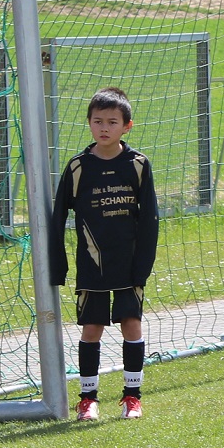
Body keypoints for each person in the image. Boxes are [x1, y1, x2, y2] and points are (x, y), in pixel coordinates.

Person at [50, 87, 159, 422]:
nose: (104, 128)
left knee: (132, 324)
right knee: (92, 328)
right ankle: (88, 400)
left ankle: (132, 397)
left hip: (129, 264)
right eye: (98, 121)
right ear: (89, 123)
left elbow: (151, 219)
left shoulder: (138, 165)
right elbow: (58, 218)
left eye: (112, 121)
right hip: (92, 264)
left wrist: (143, 266)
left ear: (127, 125)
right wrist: (59, 268)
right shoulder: (78, 168)